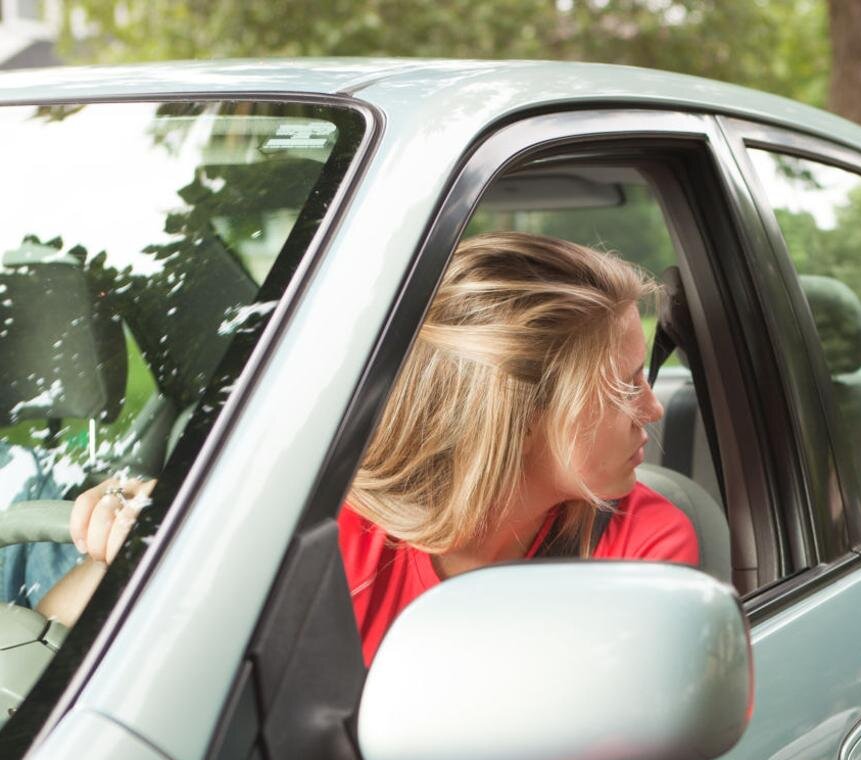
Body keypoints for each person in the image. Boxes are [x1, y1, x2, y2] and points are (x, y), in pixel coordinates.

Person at [46, 233, 700, 657]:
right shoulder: (326, 530)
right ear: (516, 414)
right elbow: (52, 636)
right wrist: (145, 550)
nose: (651, 408)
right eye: (625, 385)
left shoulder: (643, 544)